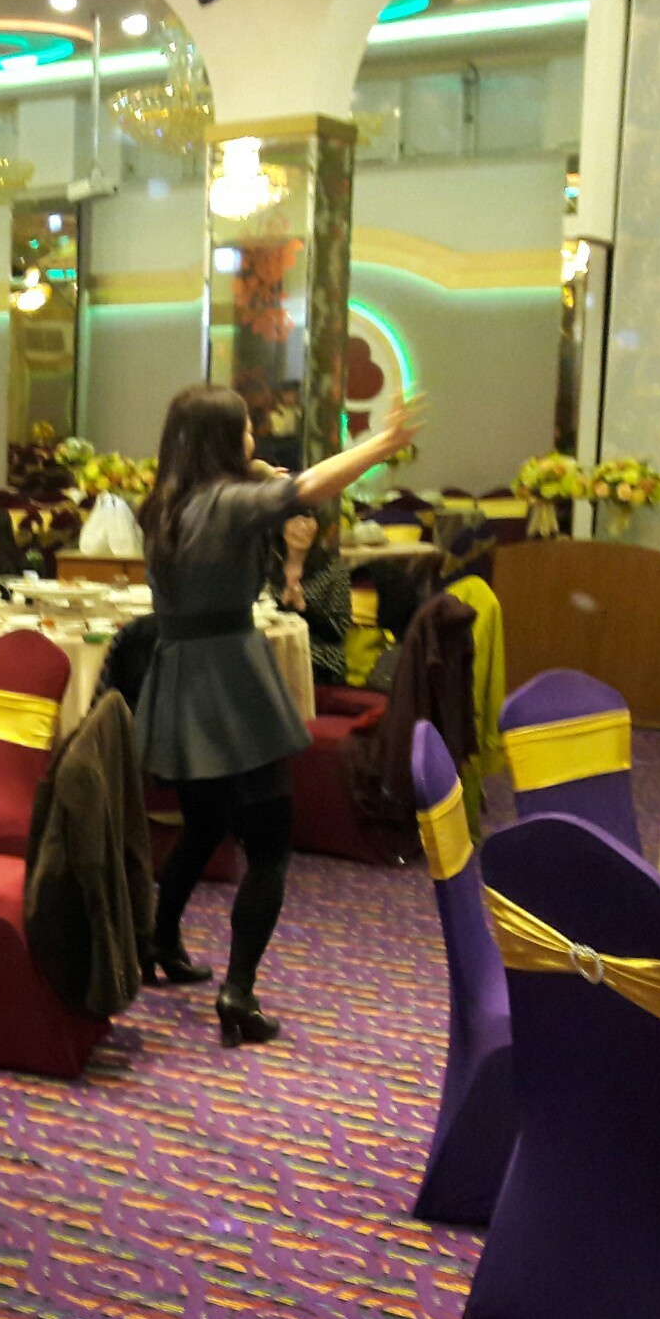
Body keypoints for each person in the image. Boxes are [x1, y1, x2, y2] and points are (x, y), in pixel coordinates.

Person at [138, 383, 420, 1049]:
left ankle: (160, 940)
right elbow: (309, 488)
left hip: (178, 675)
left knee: (204, 823)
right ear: (222, 439)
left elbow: (277, 484)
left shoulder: (166, 503)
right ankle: (238, 993)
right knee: (269, 848)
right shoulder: (229, 503)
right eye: (244, 428)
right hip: (232, 681)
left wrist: (257, 472)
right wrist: (383, 443)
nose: (253, 438)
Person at [271, 509, 350, 687]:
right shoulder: (267, 567)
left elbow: (339, 630)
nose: (302, 526)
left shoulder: (334, 569)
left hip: (321, 654)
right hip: (275, 648)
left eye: (308, 518)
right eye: (293, 518)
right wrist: (281, 604)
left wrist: (304, 607)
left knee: (283, 665)